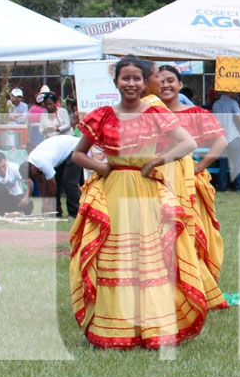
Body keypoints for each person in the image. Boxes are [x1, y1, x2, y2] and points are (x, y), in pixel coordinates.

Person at [67, 56, 223, 350]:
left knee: (149, 259)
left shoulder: (155, 112)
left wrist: (157, 161)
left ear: (144, 83)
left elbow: (188, 143)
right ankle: (116, 328)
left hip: (147, 190)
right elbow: (78, 154)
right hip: (113, 191)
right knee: (116, 257)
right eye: (125, 78)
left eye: (137, 78)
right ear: (116, 82)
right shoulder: (102, 115)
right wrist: (100, 168)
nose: (131, 84)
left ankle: (152, 325)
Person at [156, 64, 229, 285]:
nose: (165, 85)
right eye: (159, 80)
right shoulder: (148, 113)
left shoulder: (196, 113)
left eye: (170, 80)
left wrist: (199, 167)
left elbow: (221, 141)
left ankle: (198, 283)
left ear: (180, 84)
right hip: (157, 179)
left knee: (192, 230)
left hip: (188, 180)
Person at [27, 133, 82, 218]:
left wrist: (49, 203)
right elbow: (40, 183)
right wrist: (44, 203)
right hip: (60, 154)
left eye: (33, 176)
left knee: (69, 182)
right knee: (58, 181)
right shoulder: (31, 163)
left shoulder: (42, 163)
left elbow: (53, 185)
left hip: (74, 148)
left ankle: (74, 213)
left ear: (33, 169)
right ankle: (56, 212)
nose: (34, 177)